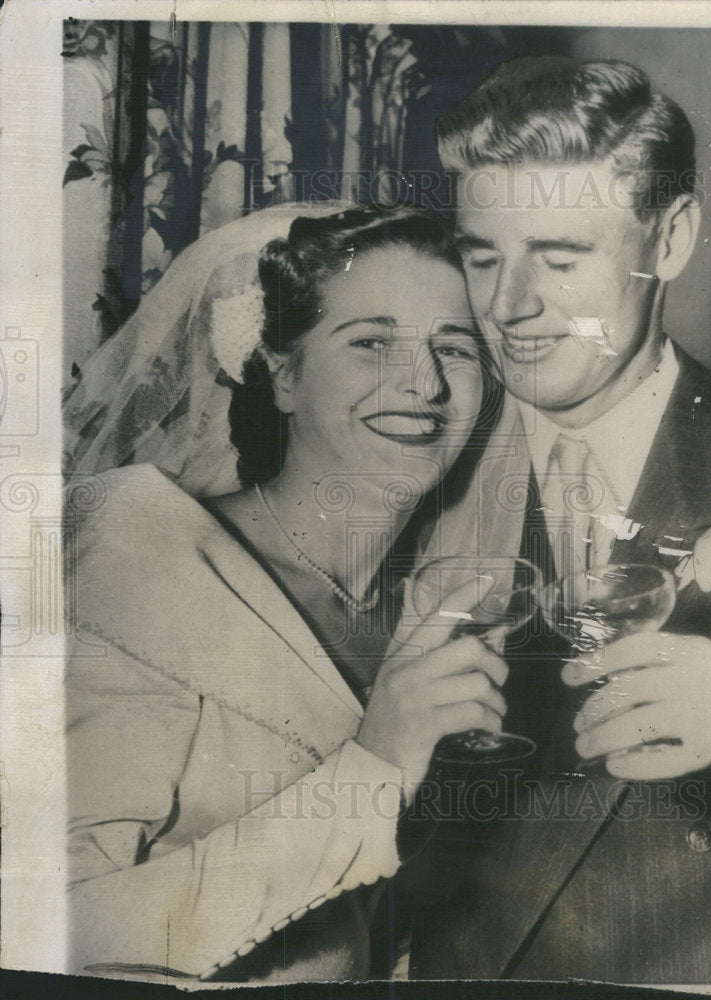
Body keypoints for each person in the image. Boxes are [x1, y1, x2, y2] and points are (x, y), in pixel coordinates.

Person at [405, 57, 711, 984]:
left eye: (559, 259)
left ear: (671, 238)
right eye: (482, 256)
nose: (508, 307)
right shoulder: (399, 464)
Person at [62, 204, 520, 983]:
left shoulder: (433, 613)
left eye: (456, 346)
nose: (426, 384)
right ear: (281, 374)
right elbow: (58, 930)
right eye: (372, 342)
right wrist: (377, 765)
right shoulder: (138, 562)